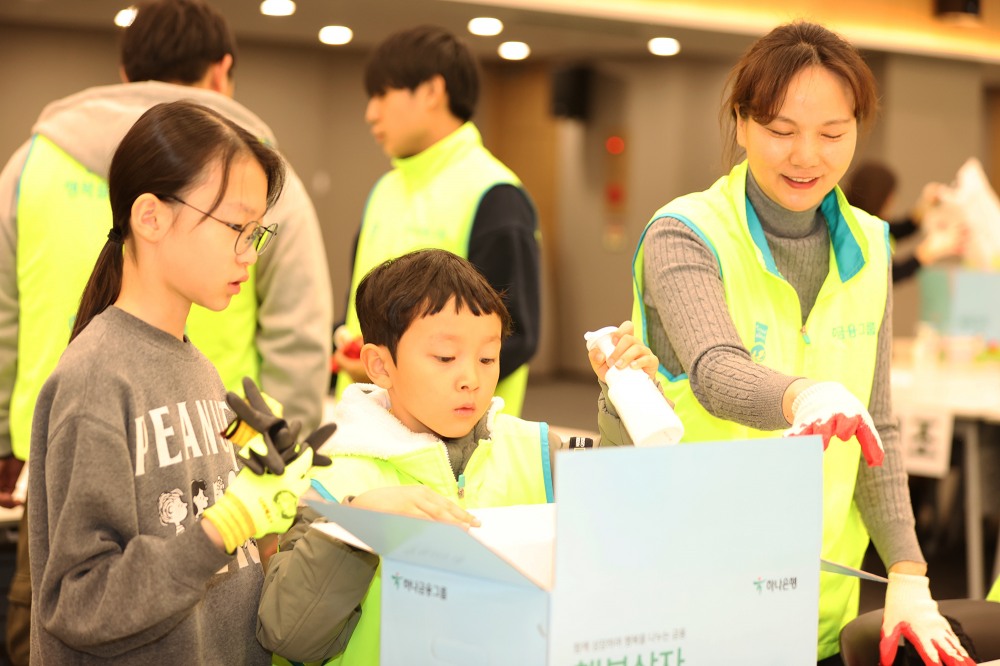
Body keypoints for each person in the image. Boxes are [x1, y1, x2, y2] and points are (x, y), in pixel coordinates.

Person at [628, 21, 972, 666]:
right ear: (741, 123)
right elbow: (714, 370)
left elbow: (881, 424)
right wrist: (805, 394)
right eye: (781, 131)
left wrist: (908, 569)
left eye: (832, 134)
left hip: (817, 594)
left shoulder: (869, 244)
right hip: (693, 587)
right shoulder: (684, 233)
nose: (806, 156)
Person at [0, 1, 332, 660]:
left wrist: (279, 493)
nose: (251, 253)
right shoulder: (97, 381)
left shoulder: (197, 365)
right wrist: (225, 526)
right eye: (237, 228)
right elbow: (80, 601)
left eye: (256, 233)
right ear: (149, 219)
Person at [258, 248, 654, 665]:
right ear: (379, 365)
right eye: (446, 358)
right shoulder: (333, 481)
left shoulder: (536, 452)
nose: (471, 379)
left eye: (487, 357)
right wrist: (355, 527)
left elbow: (620, 515)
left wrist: (629, 404)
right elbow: (289, 636)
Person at [333, 25, 540, 418]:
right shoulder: (385, 189)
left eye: (381, 94)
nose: (370, 113)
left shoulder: (494, 193)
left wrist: (398, 371)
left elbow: (517, 336)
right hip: (373, 430)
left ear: (431, 91)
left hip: (459, 452)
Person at [842, 160, 966, 282]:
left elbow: (900, 229)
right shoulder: (859, 231)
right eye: (890, 197)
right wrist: (927, 252)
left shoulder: (856, 221)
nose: (893, 202)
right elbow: (890, 274)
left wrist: (925, 205)